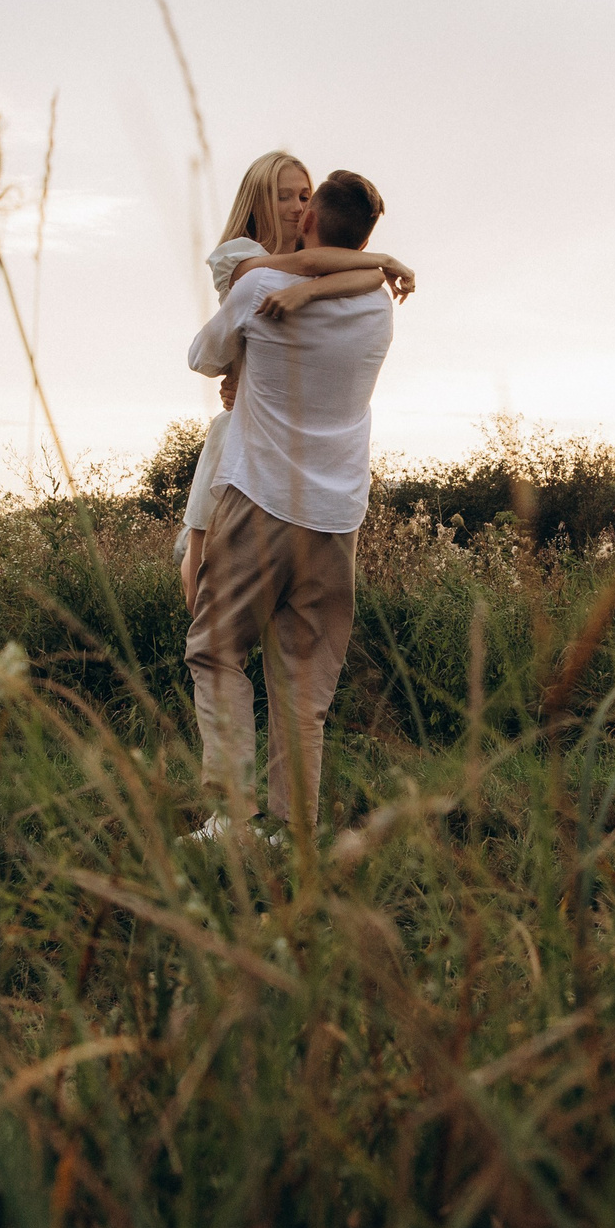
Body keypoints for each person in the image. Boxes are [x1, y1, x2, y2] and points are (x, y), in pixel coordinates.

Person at [182, 169, 395, 842]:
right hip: (337, 519)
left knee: (216, 649)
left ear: (309, 225)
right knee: (304, 686)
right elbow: (356, 275)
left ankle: (234, 818)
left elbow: (203, 357)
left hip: (263, 500)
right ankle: (290, 829)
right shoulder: (379, 304)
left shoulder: (259, 286)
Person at [177, 153, 414, 611]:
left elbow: (357, 275)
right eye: (281, 196)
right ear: (256, 202)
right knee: (203, 569)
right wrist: (380, 259)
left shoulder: (317, 263)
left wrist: (327, 284)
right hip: (244, 428)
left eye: (304, 196)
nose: (296, 206)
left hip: (270, 427)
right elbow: (321, 268)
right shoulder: (241, 256)